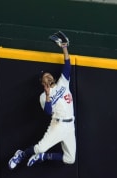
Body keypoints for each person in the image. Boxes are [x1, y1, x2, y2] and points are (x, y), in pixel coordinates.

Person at [8, 31, 76, 169]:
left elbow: (67, 65)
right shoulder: (43, 96)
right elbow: (47, 112)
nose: (48, 75)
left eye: (48, 74)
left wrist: (64, 48)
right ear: (43, 83)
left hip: (70, 125)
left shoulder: (63, 83)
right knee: (39, 147)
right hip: (58, 125)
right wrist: (48, 96)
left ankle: (43, 157)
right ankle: (21, 154)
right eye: (45, 76)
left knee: (70, 159)